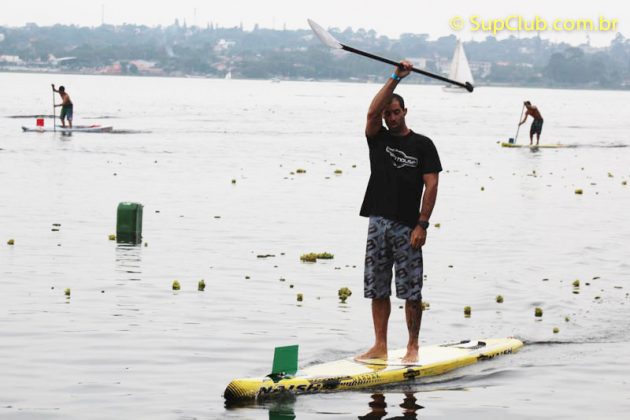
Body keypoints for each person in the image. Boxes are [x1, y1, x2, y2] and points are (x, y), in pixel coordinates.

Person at [357, 61, 442, 364]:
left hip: (408, 227)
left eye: (396, 112)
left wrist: (422, 224)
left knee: (411, 291)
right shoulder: (377, 138)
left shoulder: (423, 145)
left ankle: (412, 347)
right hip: (378, 222)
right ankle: (380, 345)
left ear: (405, 112)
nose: (391, 118)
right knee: (377, 287)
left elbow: (431, 185)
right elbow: (369, 114)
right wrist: (395, 78)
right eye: (387, 114)